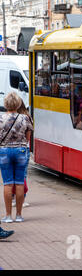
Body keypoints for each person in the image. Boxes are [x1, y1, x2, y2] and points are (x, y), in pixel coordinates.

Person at [0, 92, 33, 223]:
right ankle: (19, 215)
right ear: (18, 104)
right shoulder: (25, 118)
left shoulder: (1, 118)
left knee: (8, 183)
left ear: (5, 104)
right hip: (21, 150)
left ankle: (8, 216)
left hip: (5, 151)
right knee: (19, 182)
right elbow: (28, 138)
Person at [11, 99, 32, 208]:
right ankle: (21, 200)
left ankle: (13, 198)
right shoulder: (27, 118)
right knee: (22, 174)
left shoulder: (7, 117)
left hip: (9, 149)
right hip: (23, 149)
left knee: (11, 175)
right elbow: (28, 138)